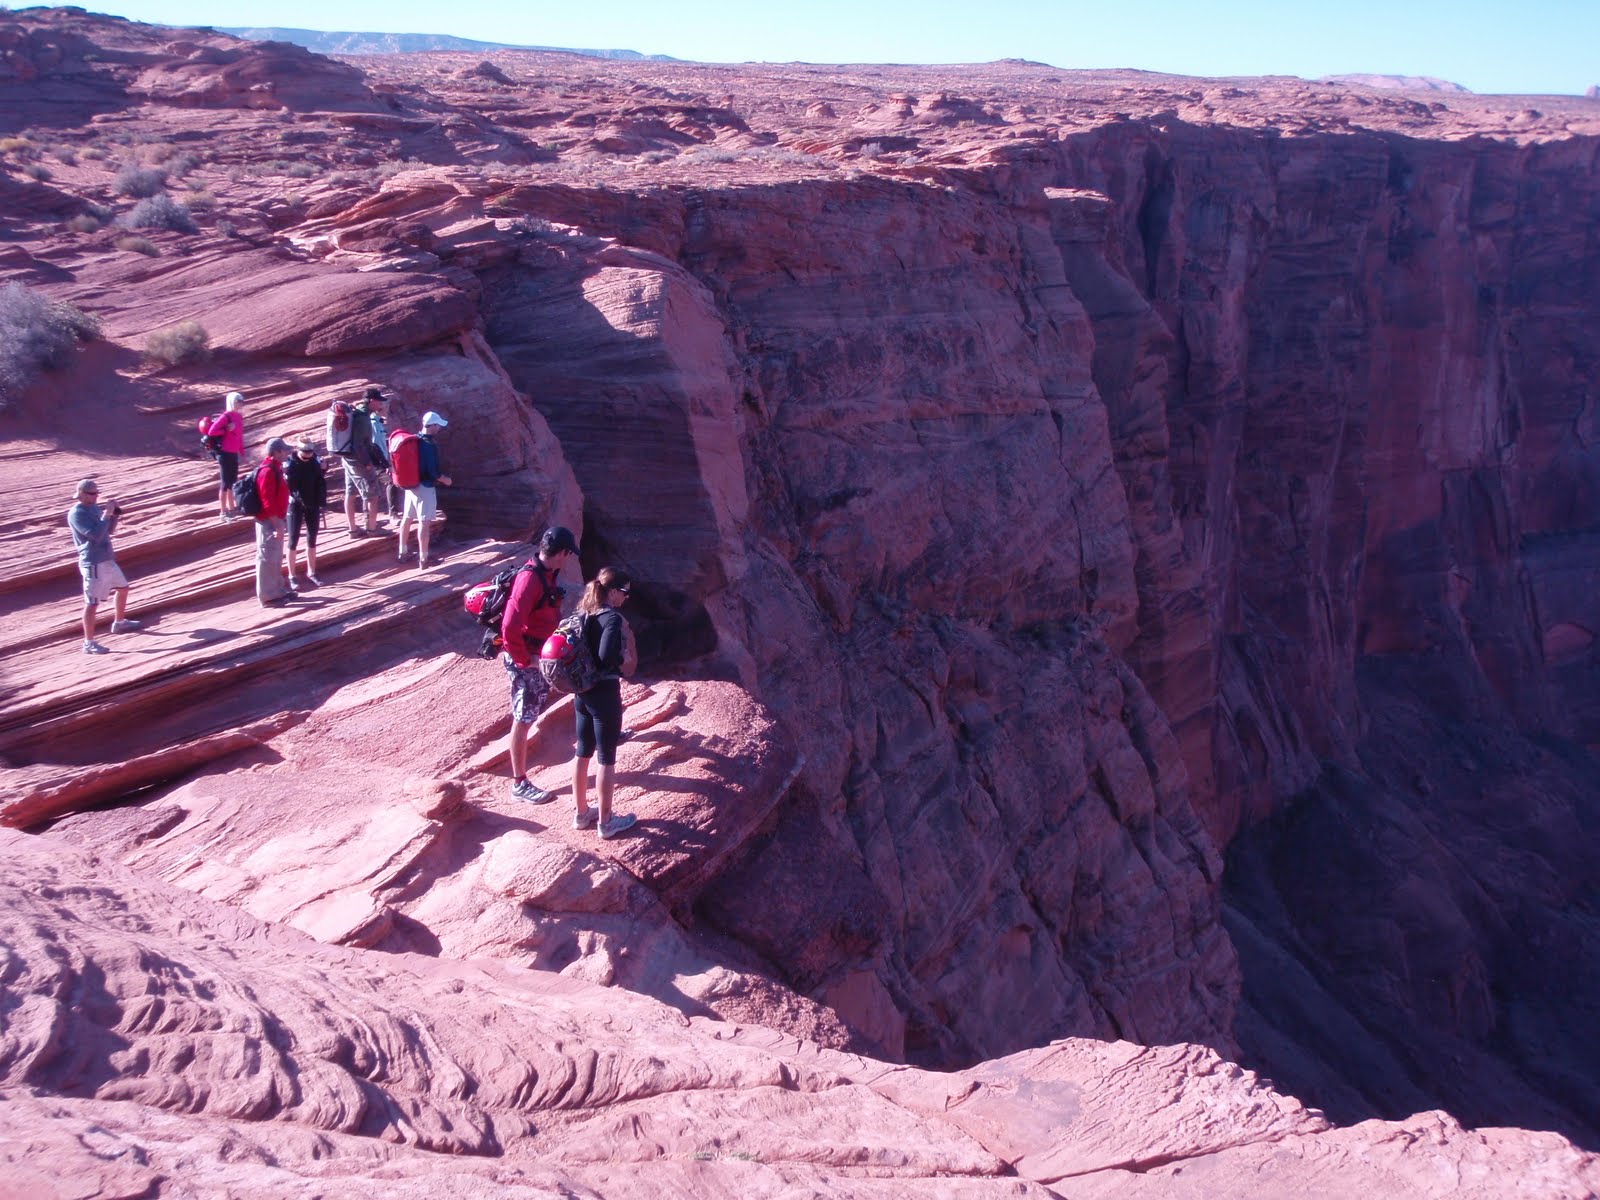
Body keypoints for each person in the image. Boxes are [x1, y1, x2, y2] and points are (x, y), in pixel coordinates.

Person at [500, 526, 581, 803]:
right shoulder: (529, 580)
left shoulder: (546, 573)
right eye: (568, 554)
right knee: (524, 717)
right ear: (561, 553)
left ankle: (603, 732)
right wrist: (526, 661)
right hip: (530, 660)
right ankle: (519, 783)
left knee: (580, 680)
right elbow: (508, 627)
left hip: (545, 653)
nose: (569, 559)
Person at [571, 566, 636, 839]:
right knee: (606, 757)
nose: (626, 597)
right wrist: (623, 660)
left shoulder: (582, 613)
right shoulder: (611, 618)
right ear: (612, 592)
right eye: (624, 592)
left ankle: (581, 813)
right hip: (604, 692)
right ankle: (606, 822)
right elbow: (606, 655)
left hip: (582, 691)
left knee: (582, 751)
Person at [67, 478, 140, 654]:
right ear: (81, 494)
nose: (96, 497)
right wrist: (107, 513)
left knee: (123, 588)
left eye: (97, 493)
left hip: (106, 558)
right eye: (92, 494)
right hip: (93, 562)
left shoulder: (93, 508)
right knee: (92, 603)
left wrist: (114, 514)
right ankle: (88, 643)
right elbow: (95, 535)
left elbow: (108, 530)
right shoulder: (77, 514)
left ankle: (119, 623)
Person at [396, 410, 451, 569]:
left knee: (407, 518)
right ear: (431, 426)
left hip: (410, 486)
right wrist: (445, 480)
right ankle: (424, 559)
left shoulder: (414, 440)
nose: (439, 428)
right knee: (424, 523)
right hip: (425, 488)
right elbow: (433, 472)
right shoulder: (429, 445)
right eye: (438, 425)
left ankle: (402, 552)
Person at [343, 386, 388, 539]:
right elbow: (359, 445)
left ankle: (353, 530)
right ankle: (372, 530)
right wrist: (367, 463)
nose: (381, 405)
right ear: (372, 401)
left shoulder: (358, 412)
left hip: (348, 459)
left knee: (350, 493)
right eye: (379, 401)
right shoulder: (362, 418)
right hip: (358, 461)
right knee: (373, 496)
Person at [254, 437, 293, 607]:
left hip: (275, 519)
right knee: (267, 557)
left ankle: (278, 591)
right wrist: (277, 524)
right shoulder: (267, 471)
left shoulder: (275, 468)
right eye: (284, 450)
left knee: (275, 556)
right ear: (276, 452)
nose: (287, 453)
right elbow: (267, 502)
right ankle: (268, 597)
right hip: (269, 521)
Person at [285, 435, 327, 590]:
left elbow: (319, 479)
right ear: (298, 450)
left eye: (310, 452)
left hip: (312, 503)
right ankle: (292, 575)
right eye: (305, 452)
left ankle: (312, 572)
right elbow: (288, 484)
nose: (308, 455)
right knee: (293, 538)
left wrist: (324, 469)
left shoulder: (316, 461)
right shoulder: (290, 463)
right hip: (295, 504)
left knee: (312, 538)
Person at [206, 391, 245, 522]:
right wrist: (226, 430)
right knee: (225, 482)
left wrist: (241, 451)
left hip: (233, 452)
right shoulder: (225, 416)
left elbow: (239, 435)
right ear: (232, 402)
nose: (241, 403)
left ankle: (232, 509)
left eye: (242, 401)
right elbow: (212, 432)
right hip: (224, 453)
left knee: (232, 482)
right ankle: (223, 512)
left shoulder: (239, 417)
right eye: (239, 401)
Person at [364, 388, 400, 525]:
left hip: (378, 460)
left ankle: (370, 518)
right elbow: (373, 445)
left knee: (370, 489)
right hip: (375, 462)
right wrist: (385, 464)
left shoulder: (378, 421)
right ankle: (392, 514)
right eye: (385, 407)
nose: (387, 410)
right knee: (390, 482)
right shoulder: (373, 422)